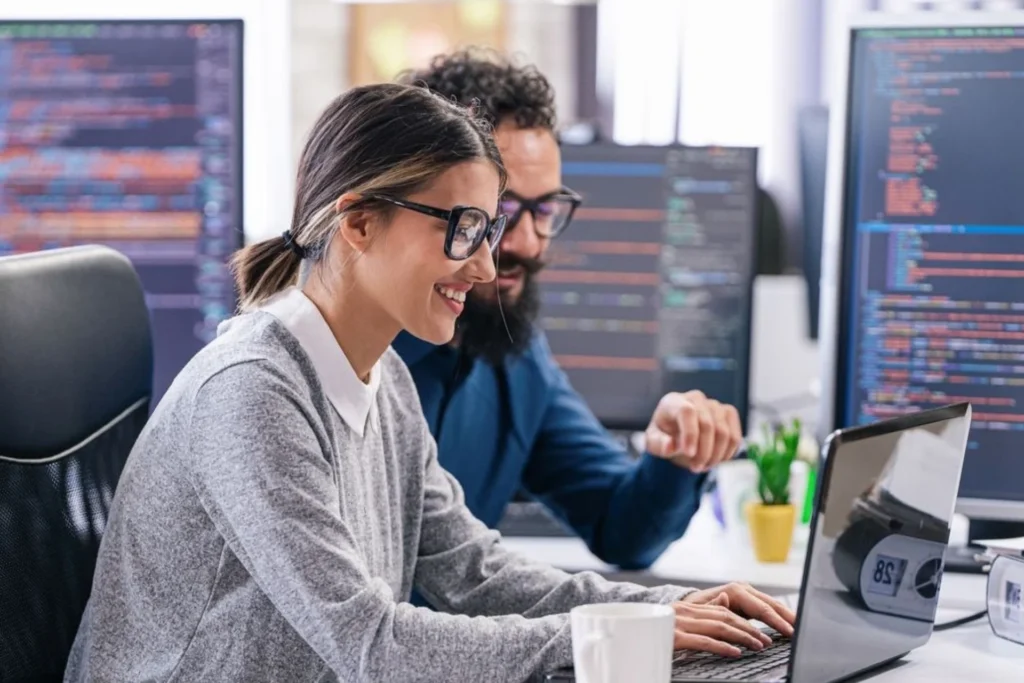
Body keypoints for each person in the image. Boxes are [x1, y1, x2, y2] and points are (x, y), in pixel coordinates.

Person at [65, 83, 793, 682]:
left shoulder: (382, 377)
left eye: (485, 232)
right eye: (463, 229)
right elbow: (369, 644)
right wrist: (605, 631)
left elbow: (474, 572)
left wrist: (660, 608)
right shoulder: (252, 391)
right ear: (357, 221)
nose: (482, 267)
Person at [396, 49, 744, 569]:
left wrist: (671, 457)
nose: (529, 243)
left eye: (547, 211)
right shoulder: (358, 357)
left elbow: (622, 530)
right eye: (503, 212)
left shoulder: (513, 349)